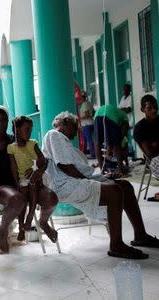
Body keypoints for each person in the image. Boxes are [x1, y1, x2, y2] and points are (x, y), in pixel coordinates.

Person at [42, 111, 159, 259]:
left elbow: (76, 169)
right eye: (75, 127)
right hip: (65, 184)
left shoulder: (64, 142)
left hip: (75, 180)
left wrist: (101, 178)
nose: (77, 132)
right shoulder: (54, 135)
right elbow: (66, 167)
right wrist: (96, 180)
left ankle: (140, 235)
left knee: (126, 186)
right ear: (65, 122)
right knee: (115, 191)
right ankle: (116, 245)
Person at [0, 105, 58, 252]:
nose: (0, 124)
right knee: (18, 199)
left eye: (3, 120)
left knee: (51, 198)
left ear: (8, 122)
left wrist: (39, 171)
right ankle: (3, 229)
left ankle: (43, 223)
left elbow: (43, 159)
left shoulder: (16, 140)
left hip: (29, 183)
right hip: (3, 187)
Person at [8, 116, 48, 234]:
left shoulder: (33, 143)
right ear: (16, 130)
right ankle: (21, 226)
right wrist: (17, 185)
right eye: (27, 129)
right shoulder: (11, 148)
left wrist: (35, 168)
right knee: (22, 195)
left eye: (31, 129)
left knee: (32, 184)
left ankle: (30, 216)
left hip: (37, 177)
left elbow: (43, 160)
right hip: (23, 179)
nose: (29, 132)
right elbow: (13, 168)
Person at [133, 95, 159, 200]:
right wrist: (154, 145)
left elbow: (154, 146)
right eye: (149, 108)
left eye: (155, 107)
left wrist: (155, 143)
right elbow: (150, 152)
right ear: (142, 109)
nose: (154, 110)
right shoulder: (140, 128)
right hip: (153, 161)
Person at [93, 104, 129, 175]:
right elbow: (123, 132)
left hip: (97, 116)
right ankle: (120, 170)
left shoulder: (117, 112)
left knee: (97, 144)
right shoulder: (124, 115)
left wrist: (110, 147)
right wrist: (121, 139)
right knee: (117, 144)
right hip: (110, 117)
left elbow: (108, 141)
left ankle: (102, 170)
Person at [78, 92, 96, 159]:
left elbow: (86, 115)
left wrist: (79, 118)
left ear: (82, 97)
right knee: (86, 140)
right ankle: (84, 153)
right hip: (90, 123)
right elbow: (93, 112)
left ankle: (93, 154)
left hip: (86, 124)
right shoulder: (89, 103)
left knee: (89, 140)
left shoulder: (85, 104)